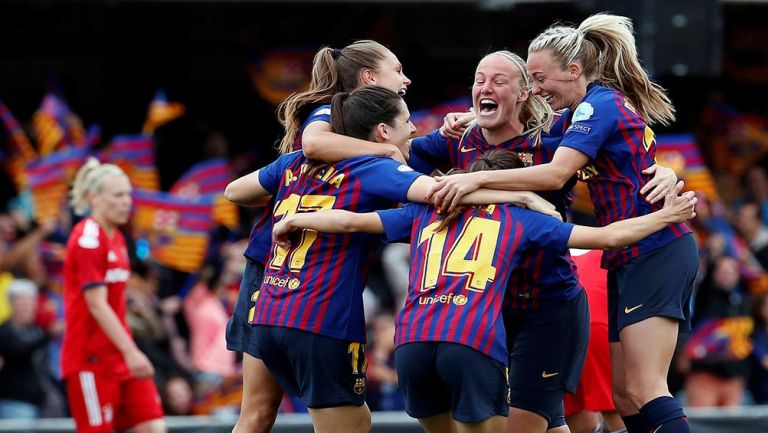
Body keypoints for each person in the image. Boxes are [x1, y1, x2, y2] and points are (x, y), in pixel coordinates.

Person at [271, 148, 696, 433]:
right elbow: (609, 237)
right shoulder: (522, 217)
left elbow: (349, 221)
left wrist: (294, 220)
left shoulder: (425, 211)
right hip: (470, 343)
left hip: (412, 346)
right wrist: (667, 216)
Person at [426, 13, 699, 433]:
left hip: (653, 245)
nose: (535, 89)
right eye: (529, 82)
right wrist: (472, 117)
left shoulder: (596, 104)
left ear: (574, 71)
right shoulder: (576, 114)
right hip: (623, 254)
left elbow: (555, 173)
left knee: (644, 389)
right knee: (623, 394)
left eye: (539, 78)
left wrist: (474, 177)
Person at [225, 86, 556, 433]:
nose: (413, 129)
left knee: (262, 417)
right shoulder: (372, 168)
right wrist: (521, 195)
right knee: (350, 426)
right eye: (407, 121)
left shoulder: (293, 162)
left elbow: (234, 191)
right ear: (383, 131)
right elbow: (439, 194)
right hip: (321, 319)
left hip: (268, 313)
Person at [226, 39, 414, 433]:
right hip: (277, 270)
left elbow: (238, 191)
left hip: (282, 273)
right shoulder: (333, 116)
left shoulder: (354, 133)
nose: (406, 79)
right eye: (397, 69)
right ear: (369, 78)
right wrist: (383, 153)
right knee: (264, 411)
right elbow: (312, 144)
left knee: (262, 413)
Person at [61, 158, 165, 433]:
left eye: (128, 194)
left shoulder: (117, 237)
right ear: (94, 197)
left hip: (120, 355)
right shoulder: (87, 239)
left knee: (154, 426)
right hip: (90, 360)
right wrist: (132, 351)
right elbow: (96, 305)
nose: (126, 202)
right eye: (118, 195)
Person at [565, 249, 625, 433]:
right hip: (597, 323)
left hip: (556, 327)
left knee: (570, 414)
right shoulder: (610, 248)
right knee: (617, 409)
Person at [0, 279, 48, 419]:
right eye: (23, 303)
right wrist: (49, 334)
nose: (28, 307)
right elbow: (19, 352)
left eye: (31, 303)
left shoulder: (37, 331)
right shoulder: (5, 331)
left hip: (39, 401)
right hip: (14, 400)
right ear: (12, 304)